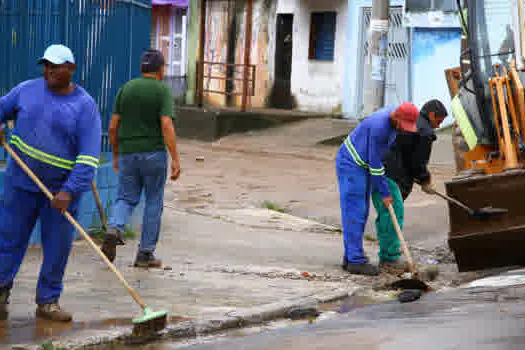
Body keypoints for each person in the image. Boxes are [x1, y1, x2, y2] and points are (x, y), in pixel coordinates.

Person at [0, 44, 102, 322]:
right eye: (46, 65)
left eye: (55, 66)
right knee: (8, 240)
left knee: (57, 248)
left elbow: (89, 157)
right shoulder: (26, 90)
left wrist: (69, 191)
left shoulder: (84, 107)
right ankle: (0, 293)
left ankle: (48, 302)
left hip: (59, 194)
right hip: (19, 185)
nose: (49, 71)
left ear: (70, 69)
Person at [102, 49, 181, 268]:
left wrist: (116, 153)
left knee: (126, 197)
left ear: (141, 69)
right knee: (154, 201)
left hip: (128, 152)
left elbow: (112, 126)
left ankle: (115, 227)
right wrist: (175, 158)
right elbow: (166, 124)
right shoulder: (162, 90)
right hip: (153, 153)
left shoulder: (126, 89)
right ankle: (145, 254)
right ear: (161, 70)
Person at [336, 103, 419, 276]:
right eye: (402, 125)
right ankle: (355, 261)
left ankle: (350, 256)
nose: (403, 130)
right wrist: (385, 193)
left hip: (362, 163)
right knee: (355, 212)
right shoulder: (380, 127)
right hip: (352, 163)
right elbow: (375, 164)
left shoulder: (394, 120)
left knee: (361, 211)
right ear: (396, 117)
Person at [371, 100, 448, 272]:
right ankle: (390, 260)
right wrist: (425, 178)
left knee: (385, 216)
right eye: (439, 121)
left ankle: (386, 257)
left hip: (378, 171)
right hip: (391, 176)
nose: (437, 126)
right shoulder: (425, 132)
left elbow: (406, 156)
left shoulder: (412, 124)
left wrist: (420, 177)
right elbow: (417, 163)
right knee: (393, 215)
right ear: (431, 115)